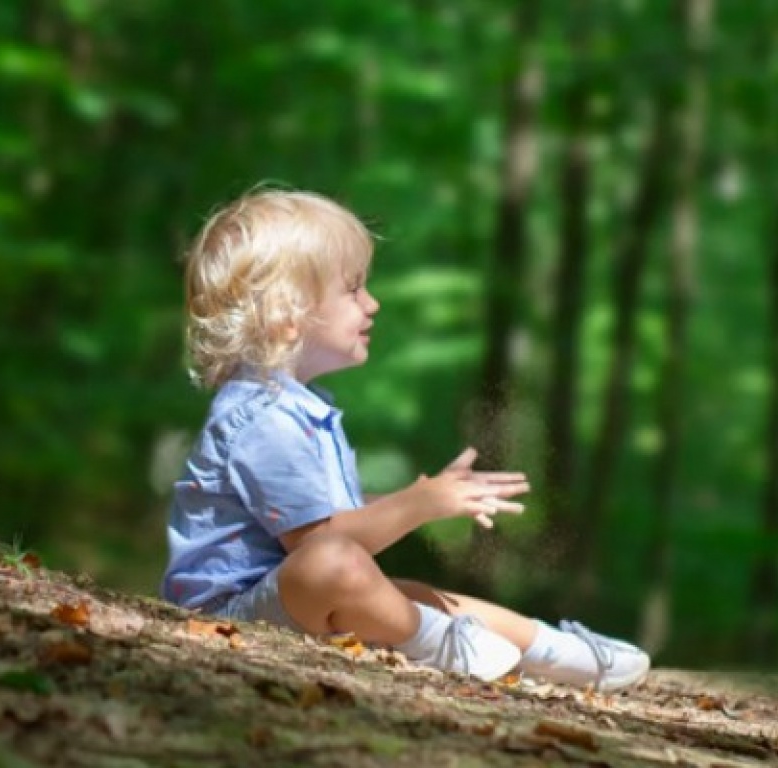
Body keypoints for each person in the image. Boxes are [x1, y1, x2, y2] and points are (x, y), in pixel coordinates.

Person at [161, 186, 650, 690]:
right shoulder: (264, 419)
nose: (372, 303)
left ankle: (556, 651)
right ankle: (445, 645)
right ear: (287, 312)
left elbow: (327, 518)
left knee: (409, 591)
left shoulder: (296, 408)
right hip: (234, 614)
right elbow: (322, 544)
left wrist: (420, 499)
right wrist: (418, 505)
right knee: (337, 564)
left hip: (287, 596)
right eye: (352, 289)